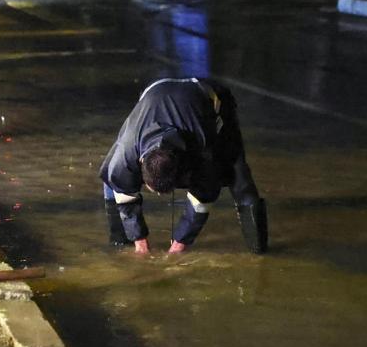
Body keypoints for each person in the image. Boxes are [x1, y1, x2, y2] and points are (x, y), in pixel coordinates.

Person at [99, 77, 268, 254]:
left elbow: (203, 197)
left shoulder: (202, 152)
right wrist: (139, 242)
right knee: (113, 176)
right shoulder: (127, 150)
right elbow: (120, 184)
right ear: (140, 163)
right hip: (155, 92)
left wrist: (179, 244)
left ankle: (260, 251)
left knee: (239, 177)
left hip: (209, 97)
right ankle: (119, 243)